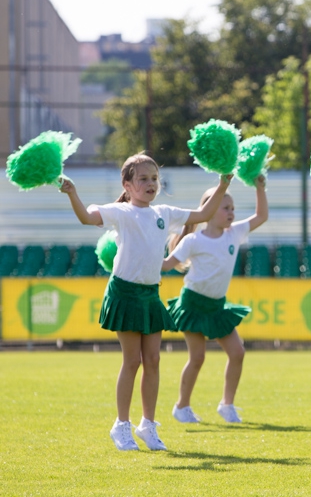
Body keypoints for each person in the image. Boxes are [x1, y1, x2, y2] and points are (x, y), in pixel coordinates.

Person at [59, 153, 232, 451]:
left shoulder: (164, 212)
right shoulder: (121, 212)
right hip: (124, 293)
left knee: (153, 360)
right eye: (143, 179)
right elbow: (87, 217)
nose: (151, 183)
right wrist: (73, 193)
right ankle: (121, 425)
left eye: (154, 178)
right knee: (132, 361)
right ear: (127, 185)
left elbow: (203, 214)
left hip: (150, 294)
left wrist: (223, 184)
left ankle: (147, 426)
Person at [162, 174, 268, 425]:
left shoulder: (234, 233)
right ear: (208, 211)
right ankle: (182, 406)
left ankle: (227, 405)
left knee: (237, 352)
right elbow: (166, 265)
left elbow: (261, 216)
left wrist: (260, 188)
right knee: (197, 358)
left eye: (232, 208)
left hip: (217, 306)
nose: (231, 212)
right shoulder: (193, 240)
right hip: (193, 304)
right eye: (225, 208)